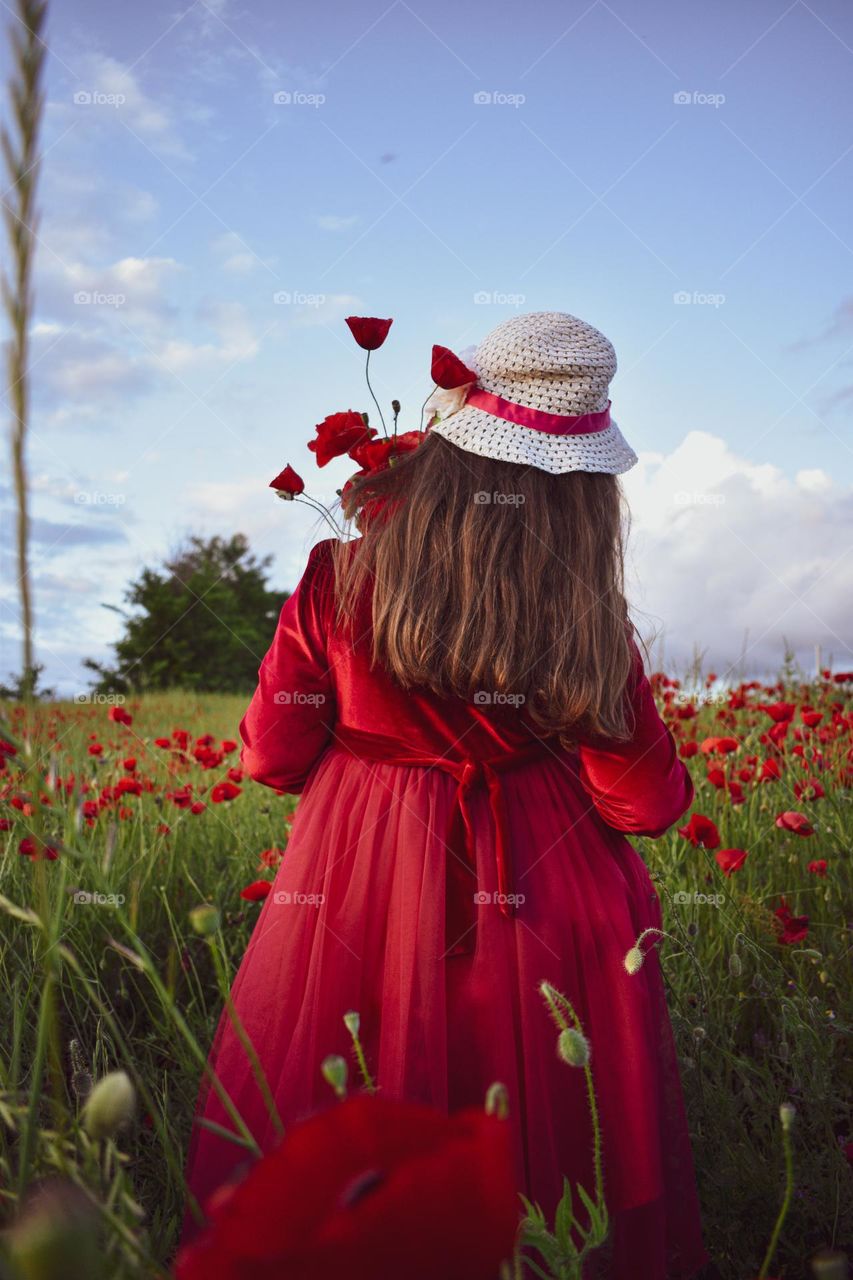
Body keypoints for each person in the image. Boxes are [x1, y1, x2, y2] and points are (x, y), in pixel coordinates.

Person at [183, 311, 711, 1279]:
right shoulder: (591, 615)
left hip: (364, 878)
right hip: (548, 894)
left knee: (359, 1128)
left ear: (446, 445)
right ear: (587, 490)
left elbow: (269, 756)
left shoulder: (339, 576)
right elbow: (643, 805)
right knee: (551, 1145)